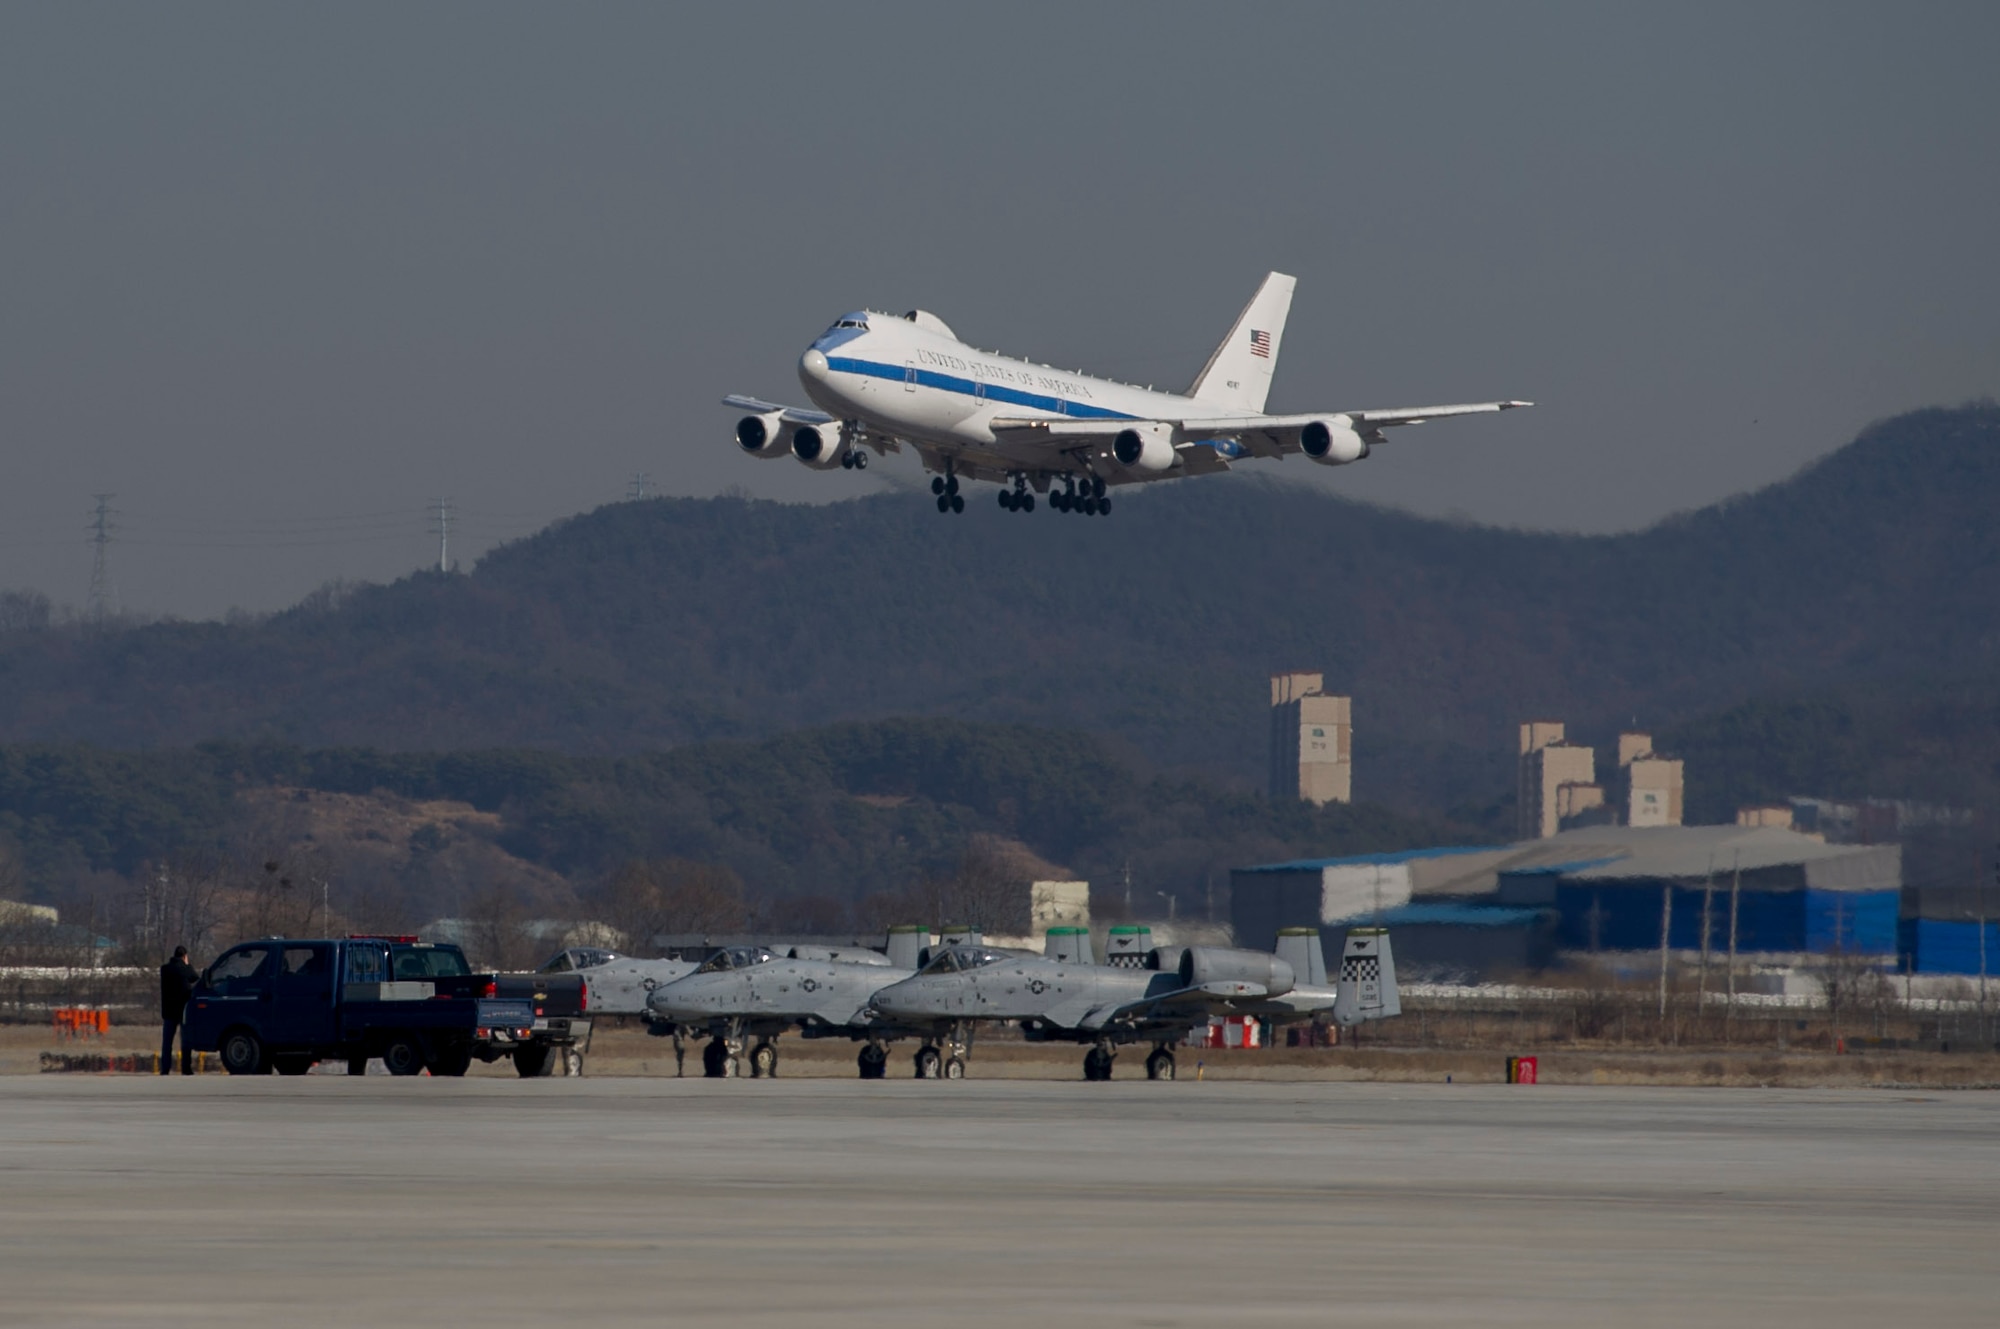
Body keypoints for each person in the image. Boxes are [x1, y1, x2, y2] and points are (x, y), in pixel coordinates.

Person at [159, 945, 199, 1074]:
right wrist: (187, 964)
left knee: (167, 1042)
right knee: (185, 1041)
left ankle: (165, 1068)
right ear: (184, 956)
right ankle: (185, 1068)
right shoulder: (183, 969)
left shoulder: (165, 969)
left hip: (168, 1010)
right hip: (182, 1010)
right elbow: (194, 977)